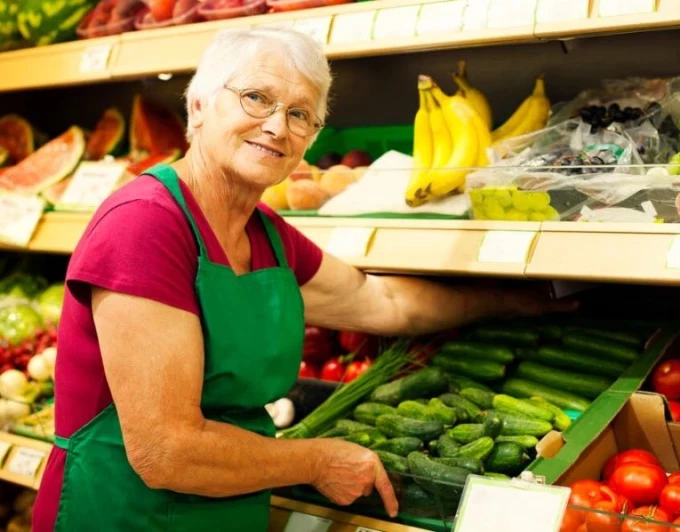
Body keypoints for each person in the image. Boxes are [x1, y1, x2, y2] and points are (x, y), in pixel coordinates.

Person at [32, 27, 575, 531]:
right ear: (197, 106)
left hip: (226, 509)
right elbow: (167, 450)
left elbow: (380, 301)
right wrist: (315, 459)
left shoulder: (265, 232)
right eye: (256, 99)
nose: (276, 126)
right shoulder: (145, 224)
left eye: (300, 115)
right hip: (123, 513)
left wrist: (514, 301)